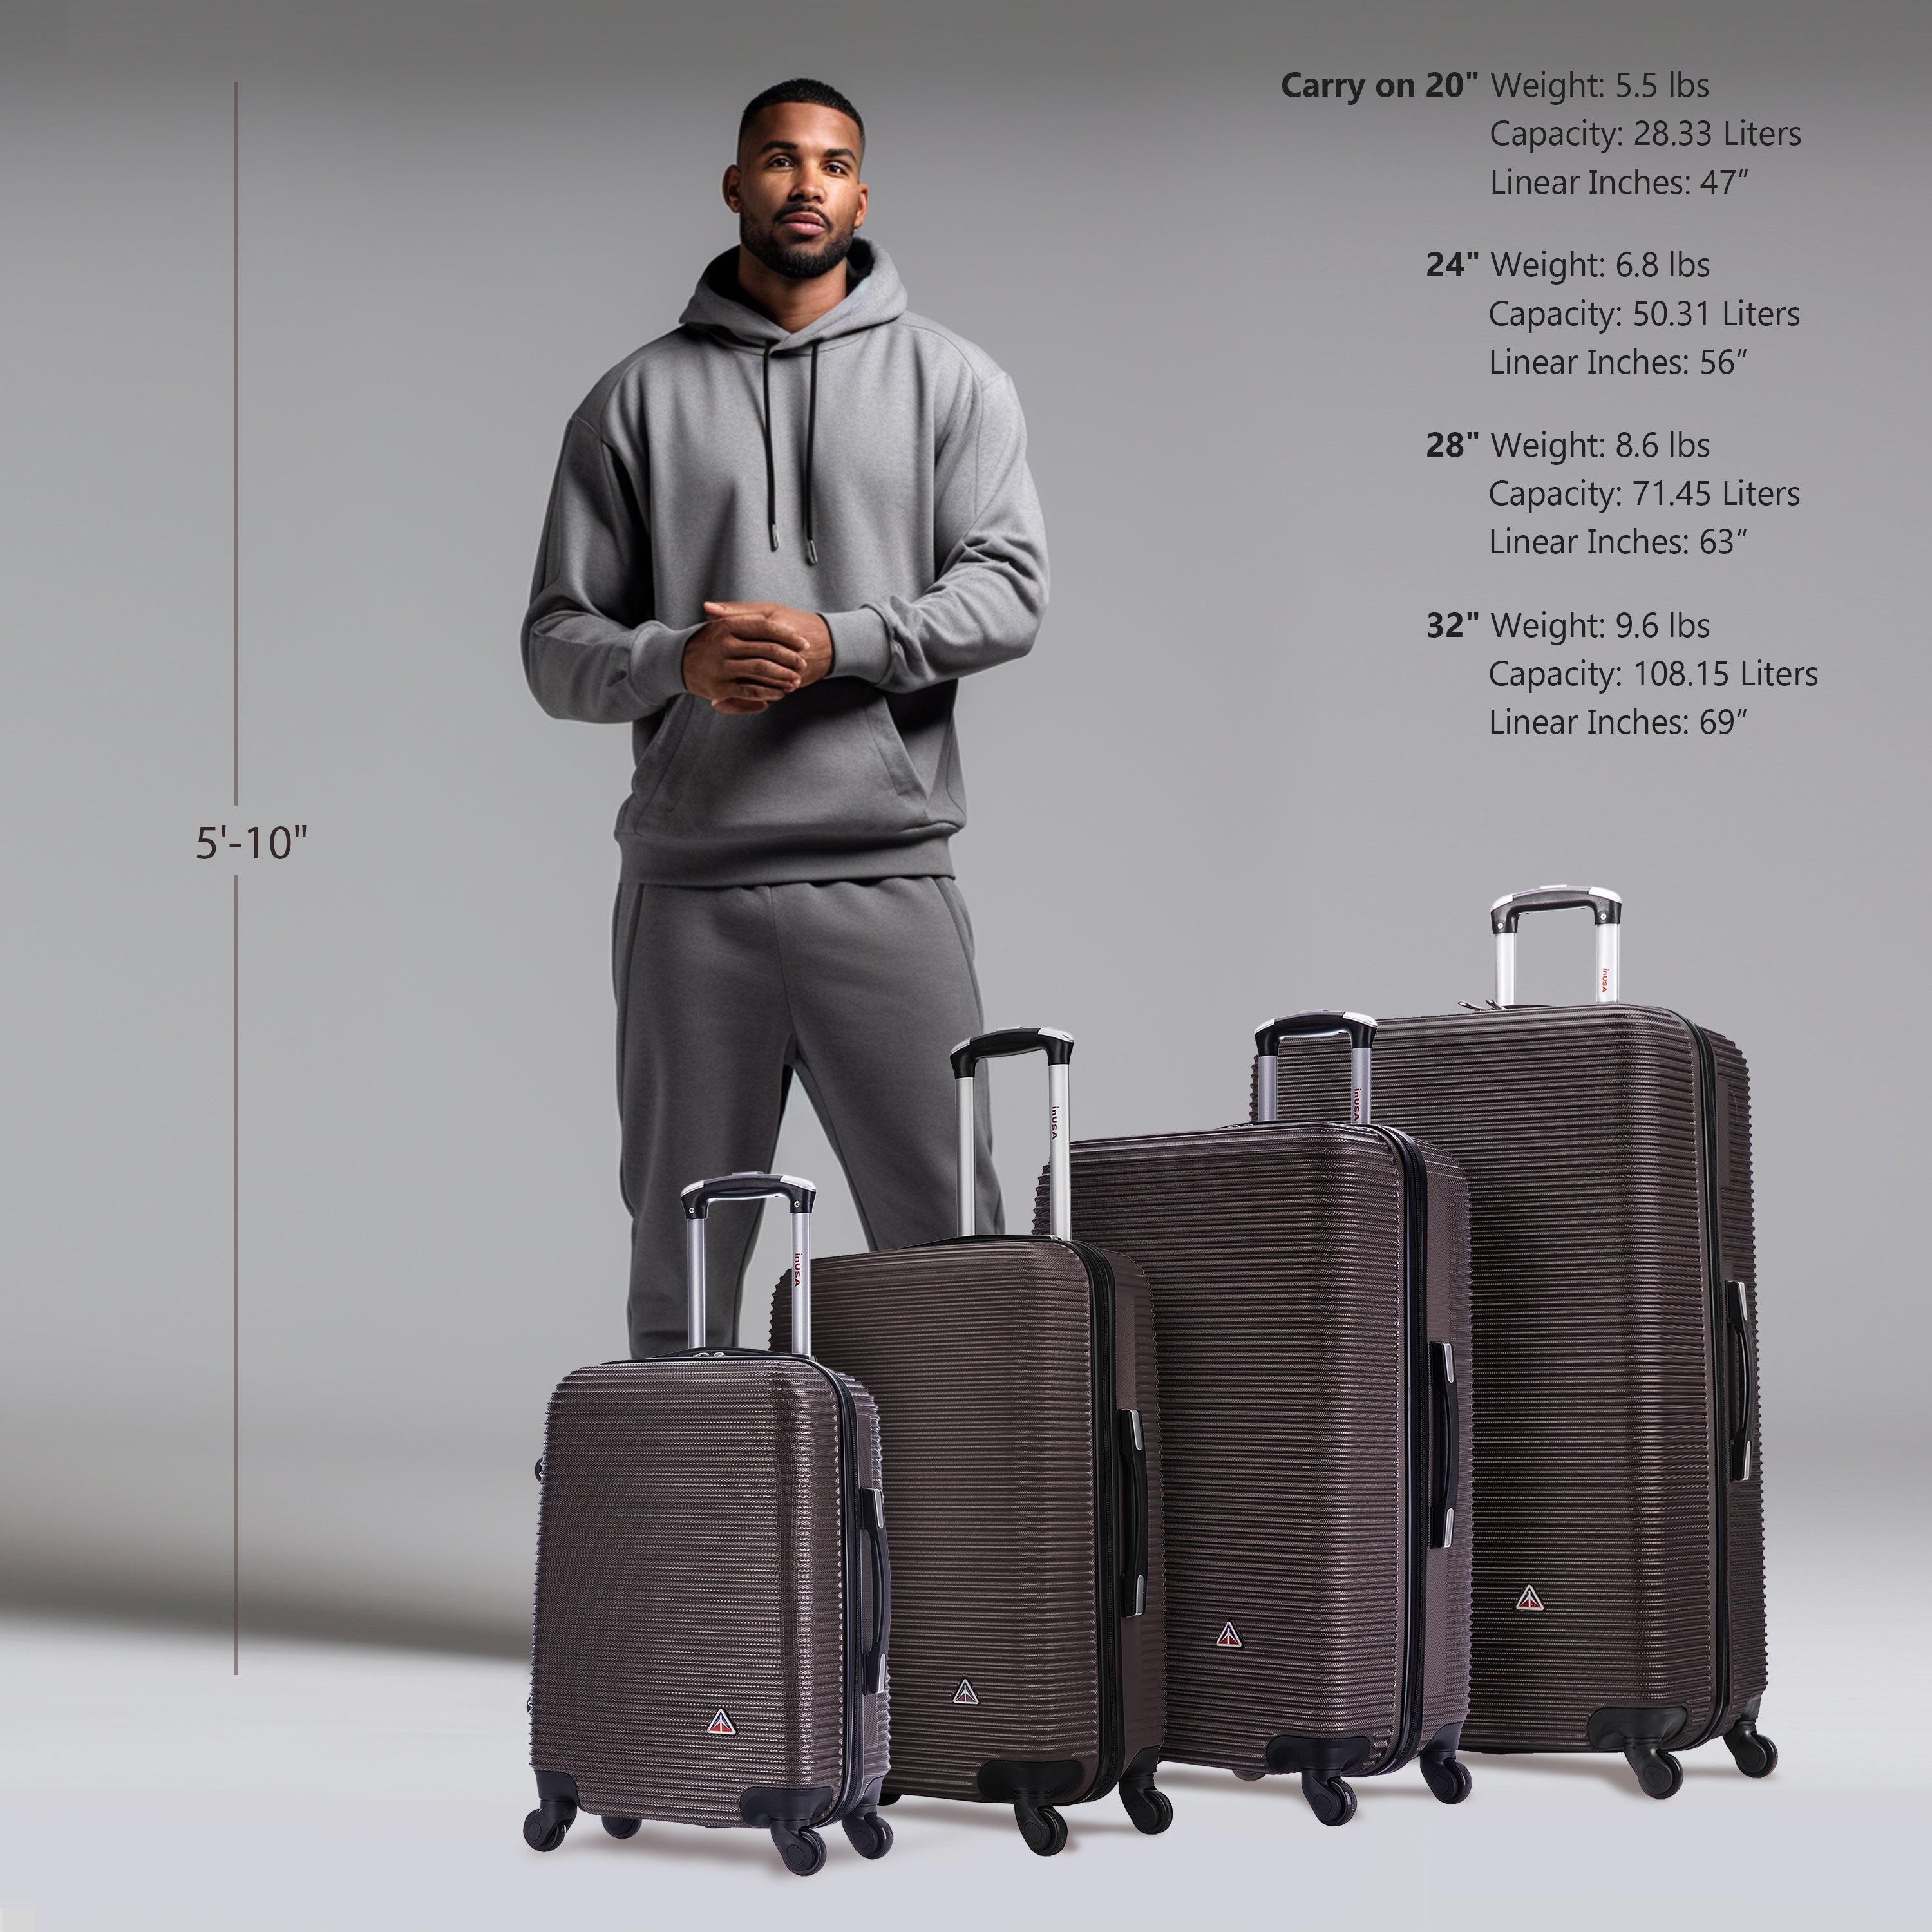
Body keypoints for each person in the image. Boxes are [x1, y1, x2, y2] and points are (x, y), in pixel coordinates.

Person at [522, 77, 1048, 1357]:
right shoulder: (633, 402)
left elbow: (1010, 595)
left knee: (952, 1251)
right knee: (682, 1263)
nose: (805, 183)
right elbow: (555, 649)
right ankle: (705, 1551)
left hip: (886, 877)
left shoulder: (952, 382)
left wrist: (842, 643)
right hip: (691, 895)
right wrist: (675, 662)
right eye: (778, 158)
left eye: (832, 163)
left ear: (861, 194)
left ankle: (965, 1550)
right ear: (736, 184)